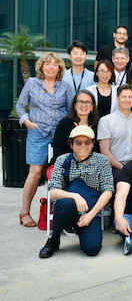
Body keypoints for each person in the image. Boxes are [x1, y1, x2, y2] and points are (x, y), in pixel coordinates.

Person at [39, 126, 114, 258]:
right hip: (67, 210)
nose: (83, 146)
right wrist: (75, 196)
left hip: (89, 211)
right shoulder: (62, 160)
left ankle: (82, 229)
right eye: (78, 142)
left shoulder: (102, 161)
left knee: (93, 249)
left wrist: (90, 215)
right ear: (71, 144)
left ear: (92, 144)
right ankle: (53, 240)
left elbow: (108, 191)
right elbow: (54, 190)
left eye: (87, 142)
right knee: (65, 203)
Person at [16, 52, 72, 227]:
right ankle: (25, 212)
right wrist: (26, 121)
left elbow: (71, 110)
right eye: (47, 64)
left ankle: (59, 212)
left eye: (55, 64)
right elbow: (20, 105)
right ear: (41, 67)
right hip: (37, 132)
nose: (51, 67)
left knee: (59, 171)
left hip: (59, 135)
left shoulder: (65, 86)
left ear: (59, 68)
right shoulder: (32, 83)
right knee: (36, 172)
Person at [98, 84, 132, 182]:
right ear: (117, 98)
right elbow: (105, 152)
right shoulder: (106, 121)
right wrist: (122, 168)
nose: (127, 100)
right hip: (114, 167)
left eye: (130, 97)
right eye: (124, 97)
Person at [52, 90, 99, 163]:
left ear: (92, 106)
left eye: (87, 102)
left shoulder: (97, 124)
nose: (84, 105)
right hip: (64, 164)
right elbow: (58, 150)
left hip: (91, 166)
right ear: (75, 105)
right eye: (80, 101)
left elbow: (98, 151)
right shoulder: (64, 123)